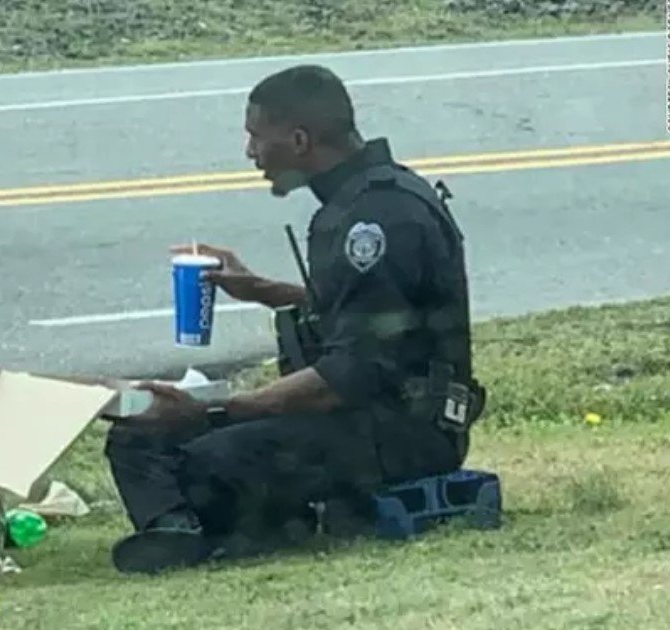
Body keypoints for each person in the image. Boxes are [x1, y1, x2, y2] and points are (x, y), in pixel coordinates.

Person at [102, 64, 486, 575]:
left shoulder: (378, 218)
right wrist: (262, 290)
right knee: (139, 435)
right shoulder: (357, 202)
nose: (250, 153)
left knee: (207, 457)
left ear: (299, 139)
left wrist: (216, 410)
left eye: (256, 136)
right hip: (361, 415)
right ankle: (178, 530)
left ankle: (232, 527)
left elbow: (351, 373)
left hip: (403, 428)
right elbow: (372, 315)